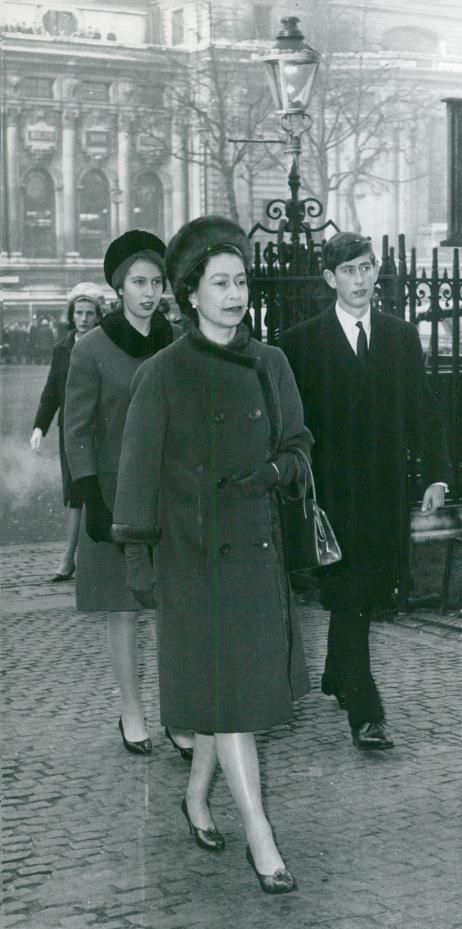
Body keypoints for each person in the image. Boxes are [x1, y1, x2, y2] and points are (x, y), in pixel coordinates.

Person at [112, 216, 311, 894]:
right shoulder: (163, 374)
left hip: (256, 550)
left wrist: (274, 475)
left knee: (235, 697)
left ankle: (198, 797)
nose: (234, 294)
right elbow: (136, 477)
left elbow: (298, 444)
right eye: (219, 283)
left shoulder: (270, 362)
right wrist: (140, 565)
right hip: (192, 557)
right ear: (189, 294)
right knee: (228, 698)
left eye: (241, 281)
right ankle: (262, 836)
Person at [280, 232, 450, 752]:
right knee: (352, 597)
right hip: (330, 499)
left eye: (367, 267)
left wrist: (437, 476)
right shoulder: (299, 343)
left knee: (366, 596)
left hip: (384, 495)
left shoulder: (401, 337)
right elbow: (292, 426)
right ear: (330, 279)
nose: (360, 279)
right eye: (349, 270)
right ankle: (365, 710)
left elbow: (422, 410)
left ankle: (336, 673)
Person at [64, 230, 193, 761]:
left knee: (175, 607)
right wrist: (91, 494)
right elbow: (76, 429)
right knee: (122, 608)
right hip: (114, 498)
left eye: (156, 282)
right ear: (119, 287)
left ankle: (179, 714)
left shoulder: (180, 343)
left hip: (171, 495)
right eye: (138, 282)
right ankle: (132, 709)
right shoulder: (92, 349)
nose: (148, 292)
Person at [30, 283, 104, 581]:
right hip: (70, 432)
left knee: (98, 491)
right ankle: (70, 558)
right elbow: (51, 392)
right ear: (71, 315)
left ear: (99, 316)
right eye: (79, 313)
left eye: (89, 313)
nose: (83, 319)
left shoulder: (105, 344)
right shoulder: (62, 347)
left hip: (101, 429)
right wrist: (39, 427)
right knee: (75, 494)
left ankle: (86, 557)